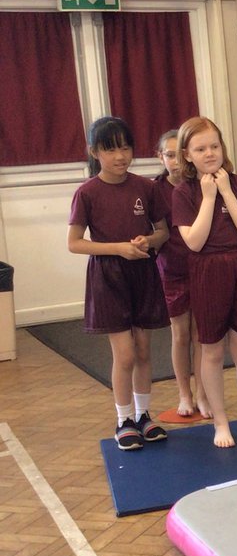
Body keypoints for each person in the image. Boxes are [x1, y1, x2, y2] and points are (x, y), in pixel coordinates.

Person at [67, 116, 170, 452]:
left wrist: (146, 241)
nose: (120, 156)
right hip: (108, 276)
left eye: (125, 147)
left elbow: (163, 232)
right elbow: (75, 243)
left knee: (143, 351)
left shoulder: (147, 187)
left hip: (142, 272)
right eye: (111, 149)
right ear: (95, 152)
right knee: (124, 355)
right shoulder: (87, 192)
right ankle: (123, 419)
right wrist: (119, 249)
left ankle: (143, 416)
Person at [171, 116, 237, 449]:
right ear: (187, 154)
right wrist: (209, 197)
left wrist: (226, 190)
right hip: (206, 271)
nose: (209, 153)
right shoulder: (184, 193)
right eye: (200, 148)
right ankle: (220, 422)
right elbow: (194, 242)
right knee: (211, 350)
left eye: (214, 145)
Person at [154, 130, 209, 419]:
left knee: (202, 334)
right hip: (171, 269)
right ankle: (184, 394)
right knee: (180, 333)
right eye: (169, 155)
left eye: (179, 154)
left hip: (200, 266)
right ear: (160, 157)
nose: (175, 161)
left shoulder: (198, 185)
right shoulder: (155, 190)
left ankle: (202, 393)